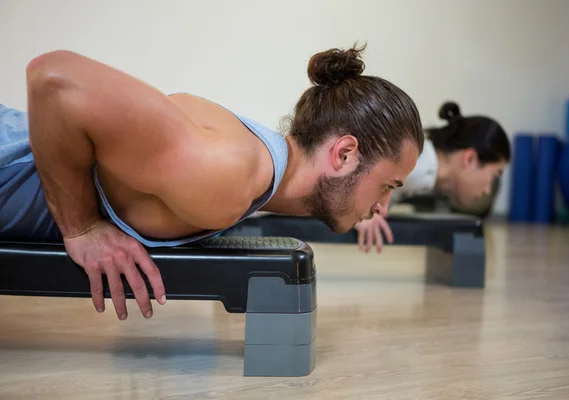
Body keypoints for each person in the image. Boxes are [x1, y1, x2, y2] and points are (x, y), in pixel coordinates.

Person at [0, 44, 424, 320]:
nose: (383, 206)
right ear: (344, 155)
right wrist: (83, 227)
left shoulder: (253, 169)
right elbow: (52, 77)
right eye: (388, 185)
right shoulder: (228, 175)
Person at [354, 101, 511, 252]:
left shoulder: (424, 168)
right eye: (494, 175)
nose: (487, 190)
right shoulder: (418, 164)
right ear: (469, 158)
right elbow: (350, 169)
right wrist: (358, 209)